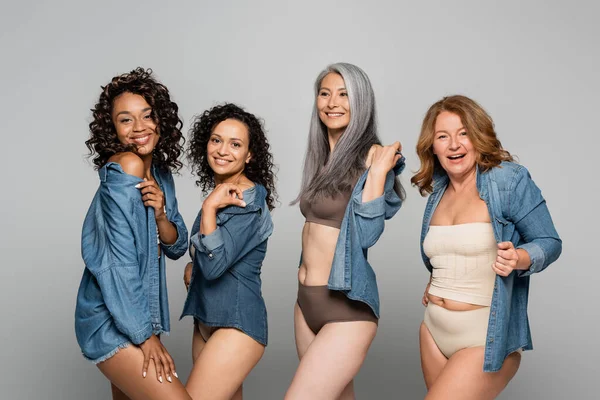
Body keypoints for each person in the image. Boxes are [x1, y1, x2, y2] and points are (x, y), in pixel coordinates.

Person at [411, 95, 562, 399]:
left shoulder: (508, 180)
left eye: (463, 133)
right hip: (433, 331)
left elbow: (549, 242)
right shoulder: (437, 193)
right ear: (433, 146)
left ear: (478, 136)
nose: (454, 144)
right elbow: (449, 253)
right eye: (443, 136)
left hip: (484, 336)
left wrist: (519, 258)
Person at [285, 63, 405, 400]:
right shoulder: (322, 157)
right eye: (325, 94)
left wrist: (379, 173)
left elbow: (367, 235)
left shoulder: (371, 157)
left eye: (344, 95)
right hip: (305, 304)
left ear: (360, 102)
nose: (332, 102)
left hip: (346, 307)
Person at [75, 68, 190, 400]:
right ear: (113, 129)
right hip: (113, 319)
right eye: (126, 120)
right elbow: (118, 264)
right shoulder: (127, 167)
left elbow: (176, 245)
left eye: (147, 116)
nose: (139, 127)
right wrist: (146, 337)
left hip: (137, 315)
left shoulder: (160, 174)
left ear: (160, 120)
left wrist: (161, 214)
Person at [181, 103, 277, 400]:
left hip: (236, 324)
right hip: (206, 320)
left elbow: (213, 267)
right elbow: (202, 256)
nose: (223, 150)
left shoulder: (247, 202)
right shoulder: (222, 191)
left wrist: (209, 207)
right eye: (216, 140)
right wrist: (191, 268)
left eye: (235, 144)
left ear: (249, 155)